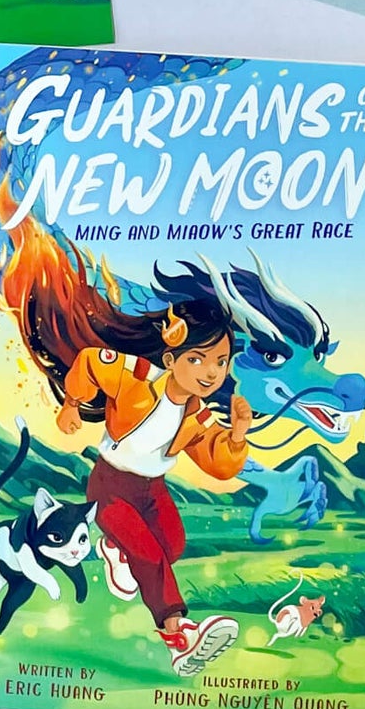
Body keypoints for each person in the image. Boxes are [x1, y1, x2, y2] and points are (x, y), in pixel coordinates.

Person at [55, 288, 250, 676]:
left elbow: (219, 462)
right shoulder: (137, 377)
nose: (211, 372)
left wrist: (238, 434)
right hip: (110, 487)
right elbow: (91, 361)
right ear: (171, 359)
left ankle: (115, 548)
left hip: (152, 489)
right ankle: (178, 635)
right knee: (149, 556)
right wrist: (72, 403)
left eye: (221, 361)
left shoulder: (198, 415)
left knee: (172, 545)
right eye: (197, 359)